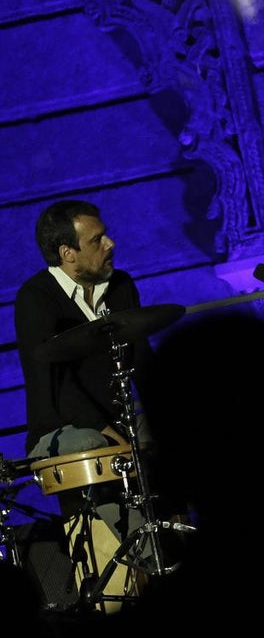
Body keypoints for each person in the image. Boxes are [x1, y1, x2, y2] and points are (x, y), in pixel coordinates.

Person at [13, 199, 176, 613]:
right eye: (97, 239)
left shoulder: (120, 286)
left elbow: (144, 358)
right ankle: (150, 559)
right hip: (61, 427)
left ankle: (180, 543)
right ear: (68, 253)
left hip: (118, 419)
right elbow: (53, 383)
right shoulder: (36, 298)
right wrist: (107, 431)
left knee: (171, 434)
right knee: (91, 444)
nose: (110, 243)